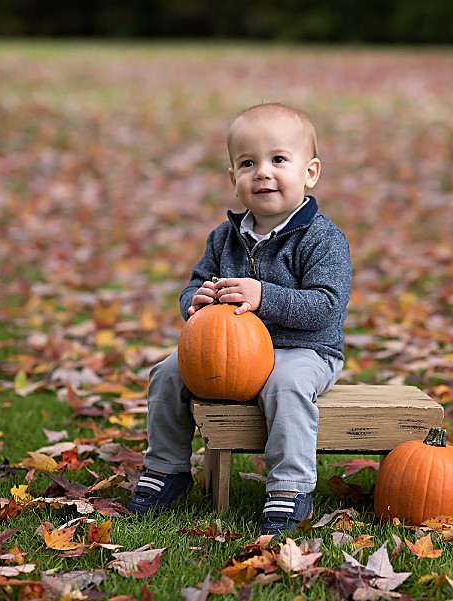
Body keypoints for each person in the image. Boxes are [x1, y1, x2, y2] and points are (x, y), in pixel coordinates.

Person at [126, 102, 352, 536]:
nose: (263, 172)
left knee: (285, 385)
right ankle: (167, 469)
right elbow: (192, 288)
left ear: (310, 172)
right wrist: (198, 301)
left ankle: (290, 488)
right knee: (167, 373)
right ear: (234, 179)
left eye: (278, 159)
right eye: (248, 163)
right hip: (230, 356)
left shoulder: (322, 239)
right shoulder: (223, 237)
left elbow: (326, 305)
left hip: (302, 350)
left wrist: (264, 296)